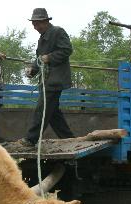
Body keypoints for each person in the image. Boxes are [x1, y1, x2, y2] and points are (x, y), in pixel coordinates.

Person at [20, 8, 74, 147]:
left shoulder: (58, 32)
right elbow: (39, 59)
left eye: (37, 24)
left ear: (45, 21)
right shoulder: (41, 39)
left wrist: (49, 57)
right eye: (33, 24)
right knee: (53, 113)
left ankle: (31, 139)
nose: (35, 27)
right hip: (47, 80)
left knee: (43, 108)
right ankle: (69, 138)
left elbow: (67, 50)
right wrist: (32, 70)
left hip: (56, 80)